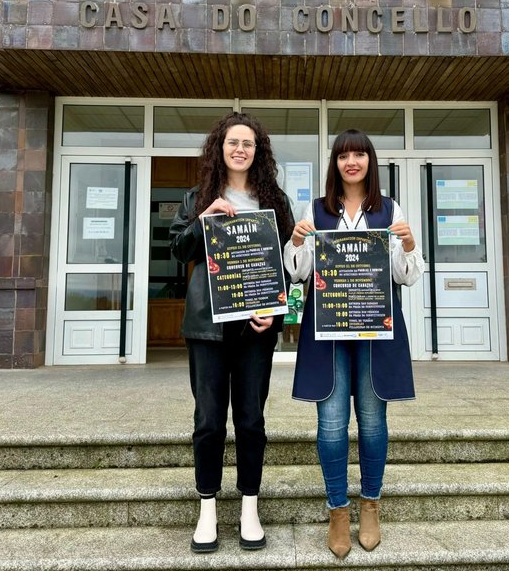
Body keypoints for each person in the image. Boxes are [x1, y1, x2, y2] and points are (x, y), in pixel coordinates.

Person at [283, 129, 424, 558]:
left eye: (359, 154)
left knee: (373, 422)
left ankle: (371, 505)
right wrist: (295, 243)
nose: (352, 162)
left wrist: (410, 246)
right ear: (335, 164)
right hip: (327, 333)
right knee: (330, 425)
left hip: (374, 332)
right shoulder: (317, 210)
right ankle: (338, 510)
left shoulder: (390, 208)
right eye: (344, 155)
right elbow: (299, 273)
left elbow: (405, 275)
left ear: (370, 161)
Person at [169, 111, 295, 554]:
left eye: (248, 143)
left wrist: (276, 317)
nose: (240, 149)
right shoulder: (196, 197)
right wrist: (203, 219)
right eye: (232, 142)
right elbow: (177, 249)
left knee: (251, 420)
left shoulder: (274, 202)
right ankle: (206, 509)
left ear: (257, 152)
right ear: (219, 149)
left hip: (255, 330)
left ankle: (249, 507)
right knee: (207, 421)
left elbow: (288, 267)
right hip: (207, 328)